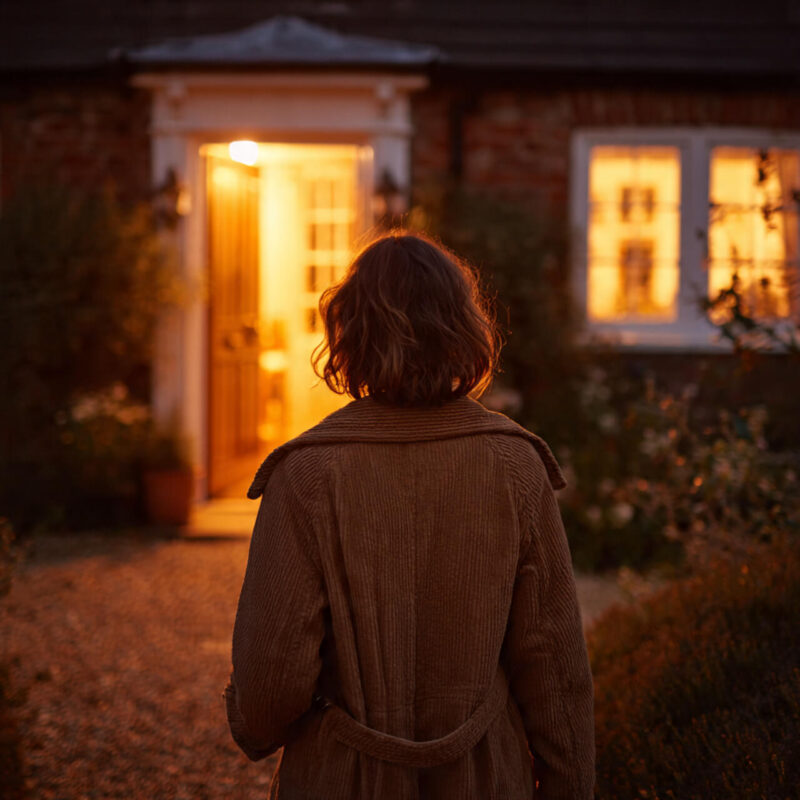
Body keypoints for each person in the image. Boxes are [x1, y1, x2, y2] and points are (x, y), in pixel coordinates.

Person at [224, 230, 595, 799]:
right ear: (464, 328)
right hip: (484, 779)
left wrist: (255, 728)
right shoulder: (515, 466)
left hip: (341, 781)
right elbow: (553, 665)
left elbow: (272, 682)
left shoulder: (305, 474)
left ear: (349, 333)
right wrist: (569, 785)